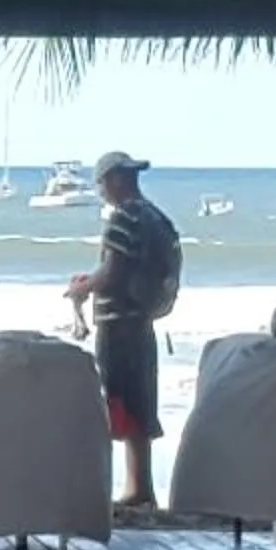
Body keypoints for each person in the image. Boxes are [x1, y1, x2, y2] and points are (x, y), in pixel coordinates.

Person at [65, 150, 183, 508]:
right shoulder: (156, 218)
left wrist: (82, 288)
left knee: (119, 399)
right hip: (142, 320)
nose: (101, 191)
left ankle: (134, 489)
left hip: (120, 323)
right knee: (139, 400)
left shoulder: (124, 217)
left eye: (101, 183)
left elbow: (114, 272)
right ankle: (140, 486)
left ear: (115, 179)